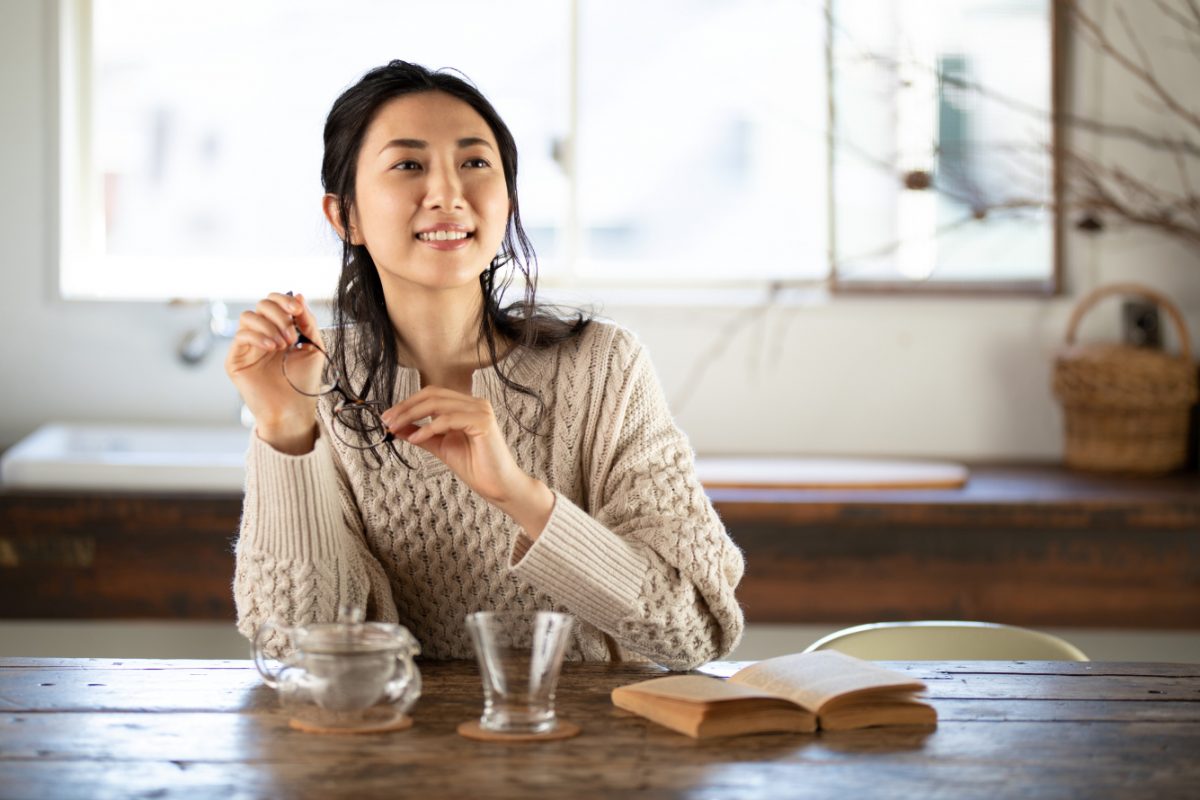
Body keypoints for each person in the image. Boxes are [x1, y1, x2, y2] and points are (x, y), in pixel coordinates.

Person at [226, 60, 743, 670]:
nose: (447, 194)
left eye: (474, 163)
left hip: (590, 753)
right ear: (346, 217)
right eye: (408, 165)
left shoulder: (605, 367)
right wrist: (289, 431)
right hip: (390, 753)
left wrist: (518, 494)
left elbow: (694, 635)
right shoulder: (315, 382)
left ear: (507, 201)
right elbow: (295, 647)